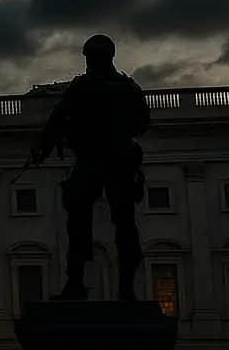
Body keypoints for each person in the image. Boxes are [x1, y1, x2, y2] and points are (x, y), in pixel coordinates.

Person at [28, 34, 151, 301]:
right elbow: (142, 123)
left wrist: (45, 147)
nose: (88, 63)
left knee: (84, 224)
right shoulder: (128, 87)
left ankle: (80, 286)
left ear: (99, 58)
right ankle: (122, 291)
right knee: (116, 225)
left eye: (91, 58)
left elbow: (57, 120)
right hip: (116, 160)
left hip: (96, 160)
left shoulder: (83, 87)